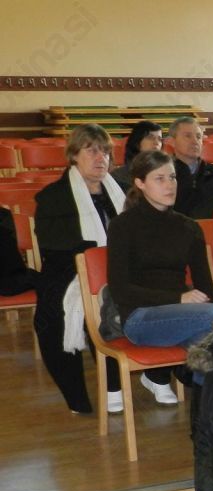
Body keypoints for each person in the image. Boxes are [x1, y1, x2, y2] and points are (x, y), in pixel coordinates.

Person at [107, 151, 213, 401]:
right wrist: (179, 298)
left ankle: (207, 412)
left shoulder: (189, 227)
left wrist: (190, 301)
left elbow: (206, 288)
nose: (170, 185)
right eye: (160, 178)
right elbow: (120, 290)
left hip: (184, 317)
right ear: (140, 183)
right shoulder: (123, 226)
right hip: (140, 318)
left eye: (172, 177)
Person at [32, 123, 125, 414]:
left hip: (120, 268)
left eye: (105, 152)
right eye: (91, 151)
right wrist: (93, 256)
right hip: (70, 270)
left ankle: (121, 383)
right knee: (53, 316)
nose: (100, 158)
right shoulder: (52, 196)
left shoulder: (121, 192)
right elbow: (52, 246)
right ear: (74, 155)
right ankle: (77, 395)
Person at [169, 117, 213, 219]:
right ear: (172, 142)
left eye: (198, 136)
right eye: (188, 136)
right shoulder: (165, 177)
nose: (195, 141)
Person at [111, 120, 162, 189]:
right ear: (137, 142)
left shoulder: (166, 171)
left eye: (159, 139)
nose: (157, 142)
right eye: (150, 138)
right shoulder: (119, 175)